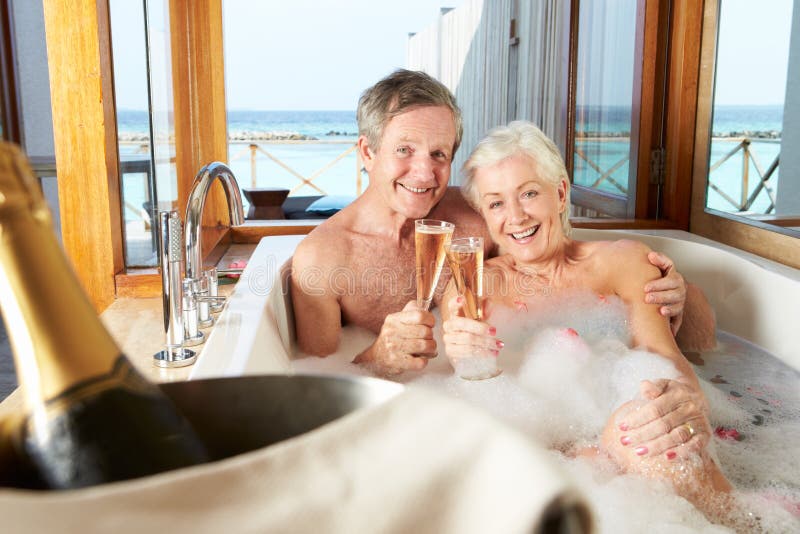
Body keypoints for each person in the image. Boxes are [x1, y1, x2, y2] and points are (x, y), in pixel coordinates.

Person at [290, 68, 704, 377]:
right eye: (404, 149)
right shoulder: (322, 260)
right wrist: (377, 356)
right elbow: (316, 381)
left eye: (439, 154)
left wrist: (671, 296)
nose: (424, 172)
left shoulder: (476, 219)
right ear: (367, 151)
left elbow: (557, 265)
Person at [441, 120, 731, 516]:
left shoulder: (623, 262)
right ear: (486, 216)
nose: (516, 216)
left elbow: (662, 355)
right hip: (543, 461)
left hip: (631, 443)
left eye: (528, 193)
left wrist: (686, 400)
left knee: (650, 425)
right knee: (639, 432)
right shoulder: (473, 288)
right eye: (496, 203)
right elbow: (481, 410)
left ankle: (742, 520)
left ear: (559, 194)